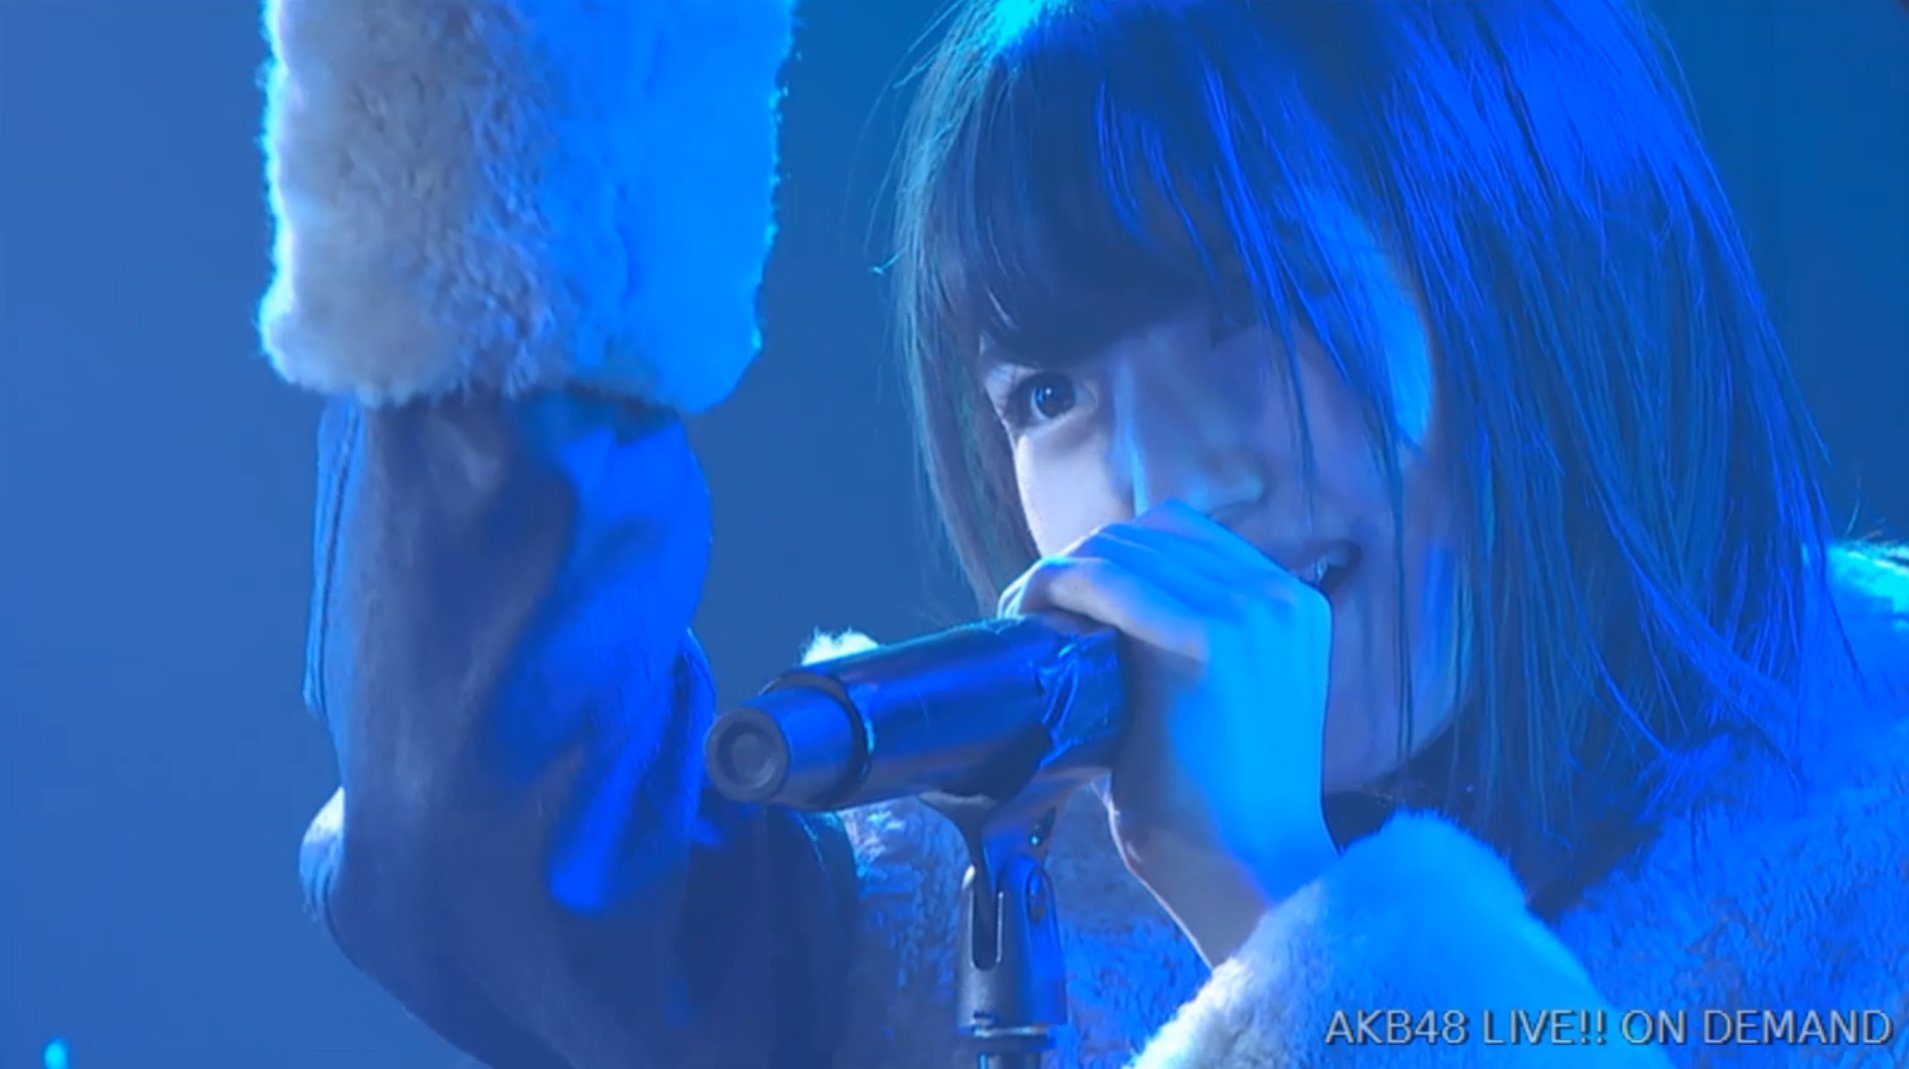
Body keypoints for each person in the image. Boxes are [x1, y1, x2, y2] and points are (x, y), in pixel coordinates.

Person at [259, 0, 1908, 1065]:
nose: (1156, 477)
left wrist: (1277, 909)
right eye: (1047, 389)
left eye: (1256, 311)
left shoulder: (1867, 809)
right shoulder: (982, 861)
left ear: (1544, 275)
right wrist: (523, 130)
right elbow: (496, 845)